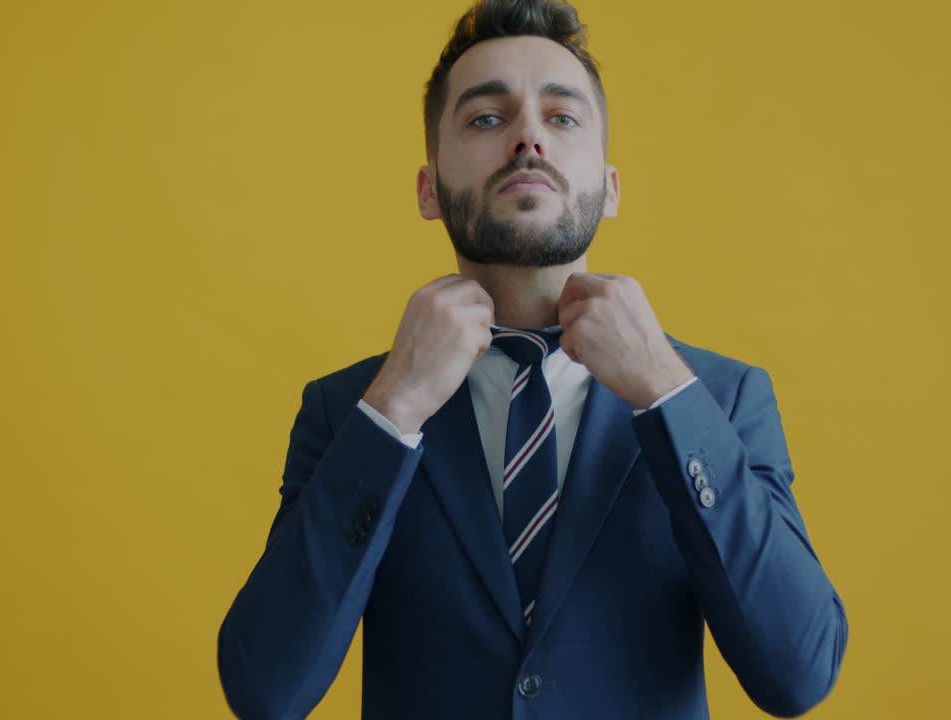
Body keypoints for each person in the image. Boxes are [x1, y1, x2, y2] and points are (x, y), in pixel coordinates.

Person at [216, 1, 848, 717]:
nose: (528, 138)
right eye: (487, 118)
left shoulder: (723, 399)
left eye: (562, 117)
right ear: (429, 189)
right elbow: (265, 690)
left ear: (610, 188)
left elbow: (799, 673)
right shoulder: (348, 411)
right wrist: (391, 410)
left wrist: (667, 391)